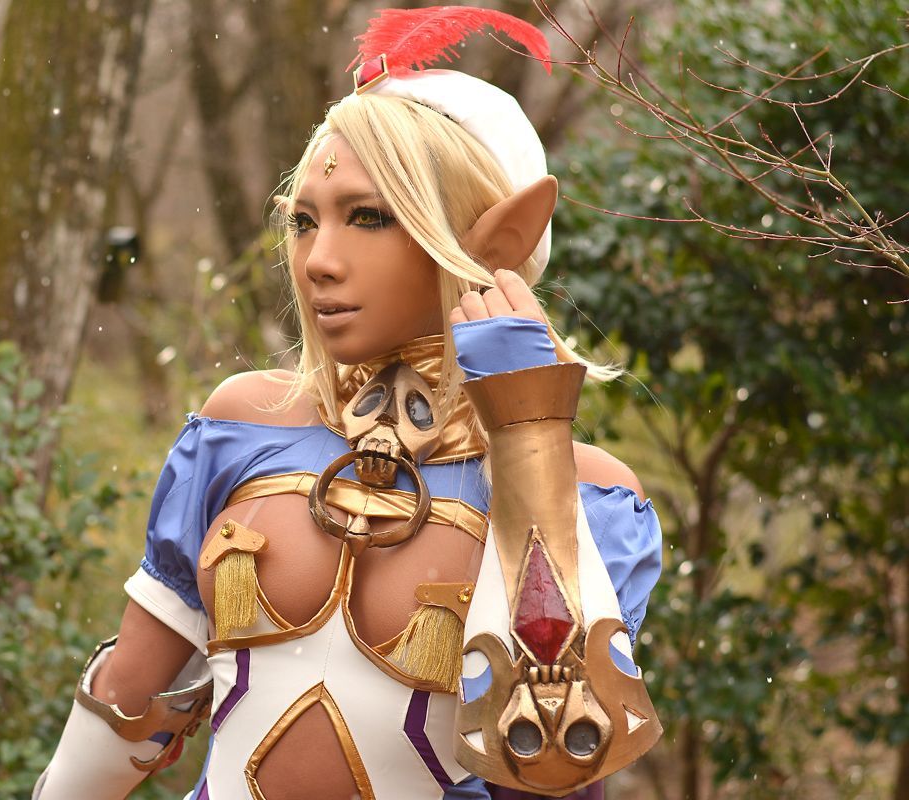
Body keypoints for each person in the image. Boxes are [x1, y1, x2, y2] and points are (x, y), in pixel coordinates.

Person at [34, 11, 663, 800]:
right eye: (304, 221)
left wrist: (528, 435)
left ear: (490, 241)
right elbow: (127, 702)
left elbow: (555, 765)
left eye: (368, 217)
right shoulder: (240, 427)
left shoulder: (593, 495)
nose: (318, 261)